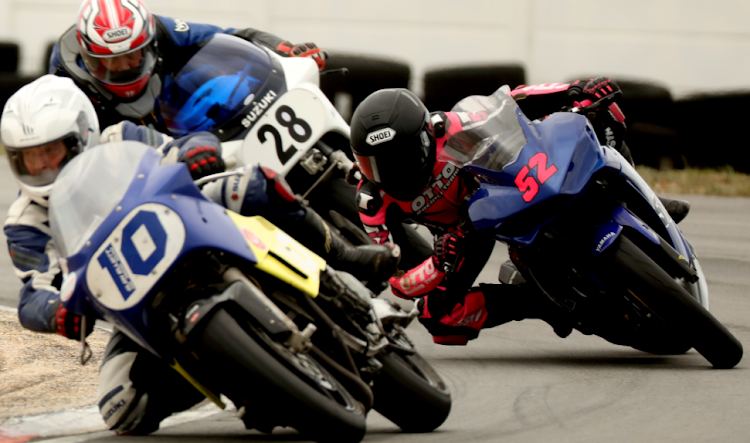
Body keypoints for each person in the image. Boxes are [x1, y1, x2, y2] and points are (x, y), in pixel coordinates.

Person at [2, 74, 398, 434]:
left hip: (186, 221)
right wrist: (56, 312)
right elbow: (34, 290)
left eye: (50, 152)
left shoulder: (119, 138)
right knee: (122, 409)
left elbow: (182, 144)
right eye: (29, 158)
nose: (41, 167)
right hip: (131, 296)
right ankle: (240, 378)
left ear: (82, 135)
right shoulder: (25, 220)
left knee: (255, 186)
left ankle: (343, 258)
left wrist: (198, 151)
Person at [347, 80, 688, 346]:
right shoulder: (373, 203)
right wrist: (438, 263)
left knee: (599, 116)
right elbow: (397, 280)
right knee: (439, 320)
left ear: (424, 137)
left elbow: (514, 100)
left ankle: (640, 199)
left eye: (399, 159)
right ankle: (539, 302)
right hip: (462, 237)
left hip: (502, 187)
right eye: (372, 165)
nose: (389, 173)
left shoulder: (446, 127)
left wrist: (573, 90)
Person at [48, 0, 327, 132]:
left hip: (177, 119)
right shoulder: (64, 74)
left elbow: (230, 34)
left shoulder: (163, 29)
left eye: (133, 56)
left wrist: (286, 48)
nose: (124, 68)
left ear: (149, 42)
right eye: (110, 62)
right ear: (87, 56)